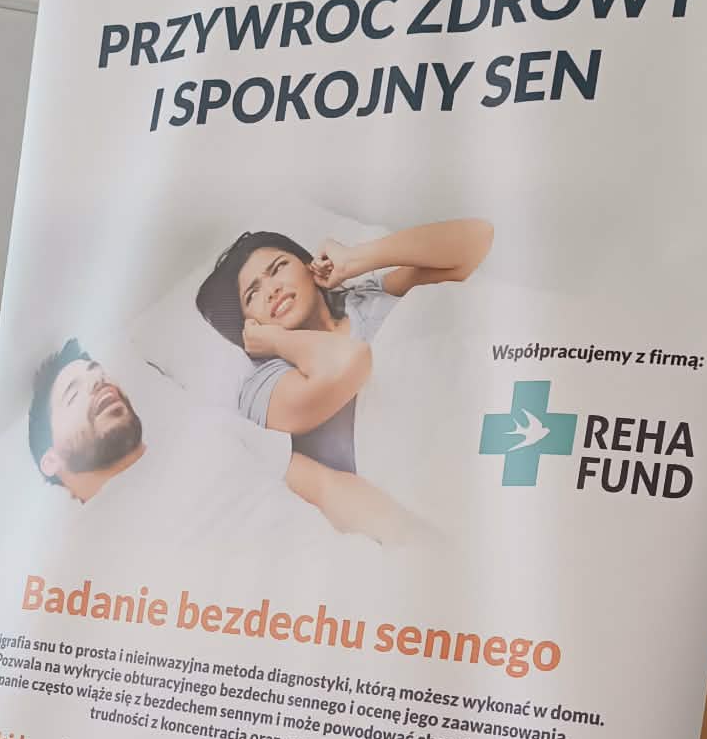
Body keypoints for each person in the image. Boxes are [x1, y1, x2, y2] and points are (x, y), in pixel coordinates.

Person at [27, 342, 425, 549]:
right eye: (74, 394)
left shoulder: (203, 430)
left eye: (98, 375)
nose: (99, 384)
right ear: (50, 460)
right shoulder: (78, 544)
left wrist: (422, 547)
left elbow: (324, 487)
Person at [195, 221, 494, 475]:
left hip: (474, 416)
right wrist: (275, 341)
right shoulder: (264, 386)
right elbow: (350, 362)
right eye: (252, 295)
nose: (272, 290)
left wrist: (355, 259)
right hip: (422, 470)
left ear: (309, 265)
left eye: (278, 268)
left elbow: (477, 239)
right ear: (249, 325)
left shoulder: (366, 297)